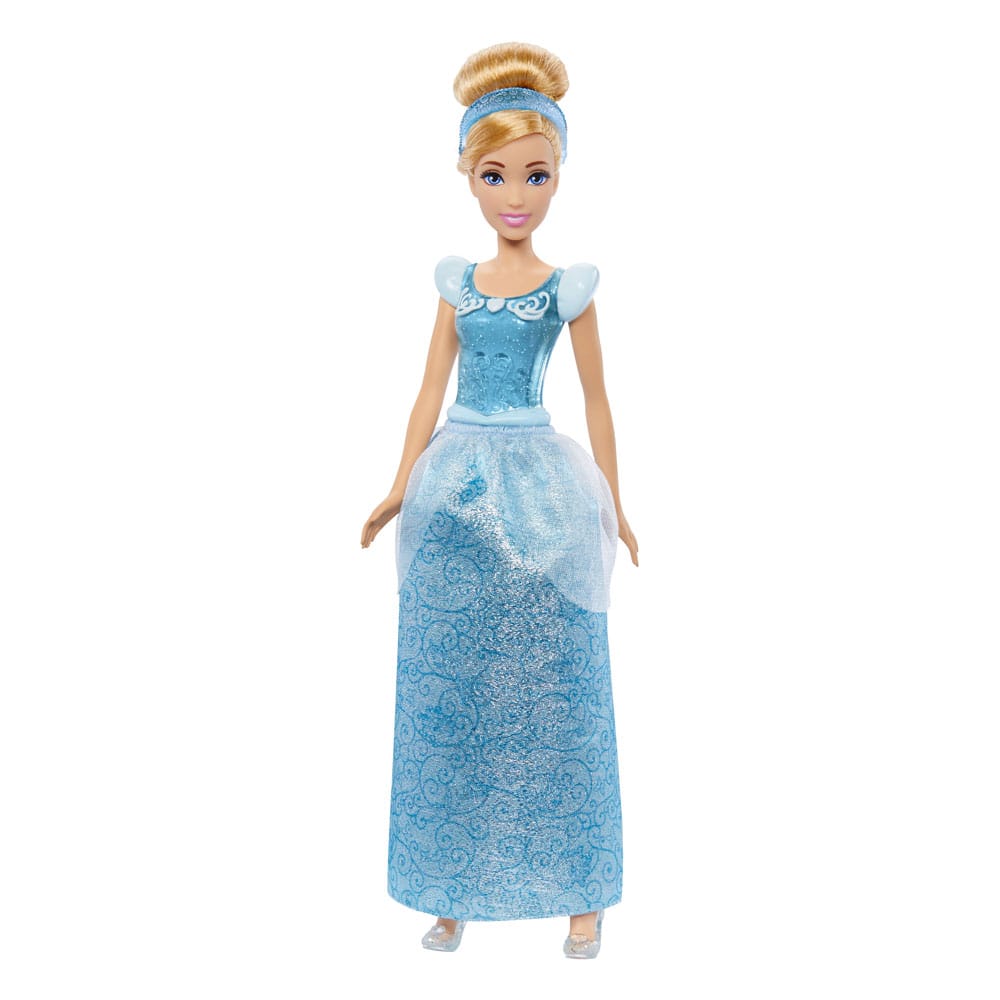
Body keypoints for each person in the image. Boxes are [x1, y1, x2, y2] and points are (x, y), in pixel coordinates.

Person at [361, 41, 638, 960]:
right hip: (453, 496)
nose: (515, 195)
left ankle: (582, 894)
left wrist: (615, 505)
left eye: (535, 175)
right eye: (495, 175)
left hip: (545, 494)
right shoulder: (456, 284)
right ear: (468, 176)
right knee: (452, 693)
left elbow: (598, 401)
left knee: (559, 690)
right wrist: (398, 486)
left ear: (558, 176)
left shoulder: (568, 290)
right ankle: (452, 886)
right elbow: (426, 391)